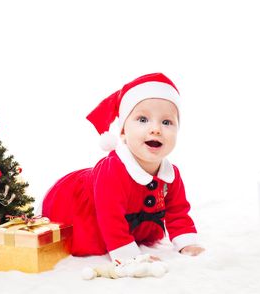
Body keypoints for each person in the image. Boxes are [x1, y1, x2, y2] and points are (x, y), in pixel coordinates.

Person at [42, 73, 204, 261]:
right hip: (77, 208)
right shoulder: (112, 171)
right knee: (85, 229)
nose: (156, 129)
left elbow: (178, 212)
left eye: (166, 122)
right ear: (123, 132)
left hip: (125, 219)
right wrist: (129, 256)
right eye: (143, 120)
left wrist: (186, 242)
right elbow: (111, 219)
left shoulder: (171, 175)